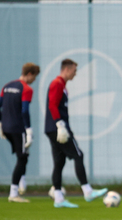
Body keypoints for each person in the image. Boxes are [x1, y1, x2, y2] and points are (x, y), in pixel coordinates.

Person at [45, 58, 107, 208]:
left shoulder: (62, 85)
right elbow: (52, 105)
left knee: (59, 162)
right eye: (74, 70)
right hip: (58, 128)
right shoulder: (57, 83)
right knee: (78, 155)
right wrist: (60, 125)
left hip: (53, 128)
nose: (75, 73)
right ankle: (87, 191)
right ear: (66, 69)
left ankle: (58, 198)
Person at [0, 63, 40, 203]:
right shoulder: (26, 88)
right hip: (18, 128)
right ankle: (14, 193)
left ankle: (21, 183)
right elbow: (24, 111)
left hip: (6, 128)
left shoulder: (7, 86)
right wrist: (29, 131)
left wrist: (0, 124)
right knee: (22, 157)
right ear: (30, 74)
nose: (34, 80)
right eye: (35, 77)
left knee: (23, 154)